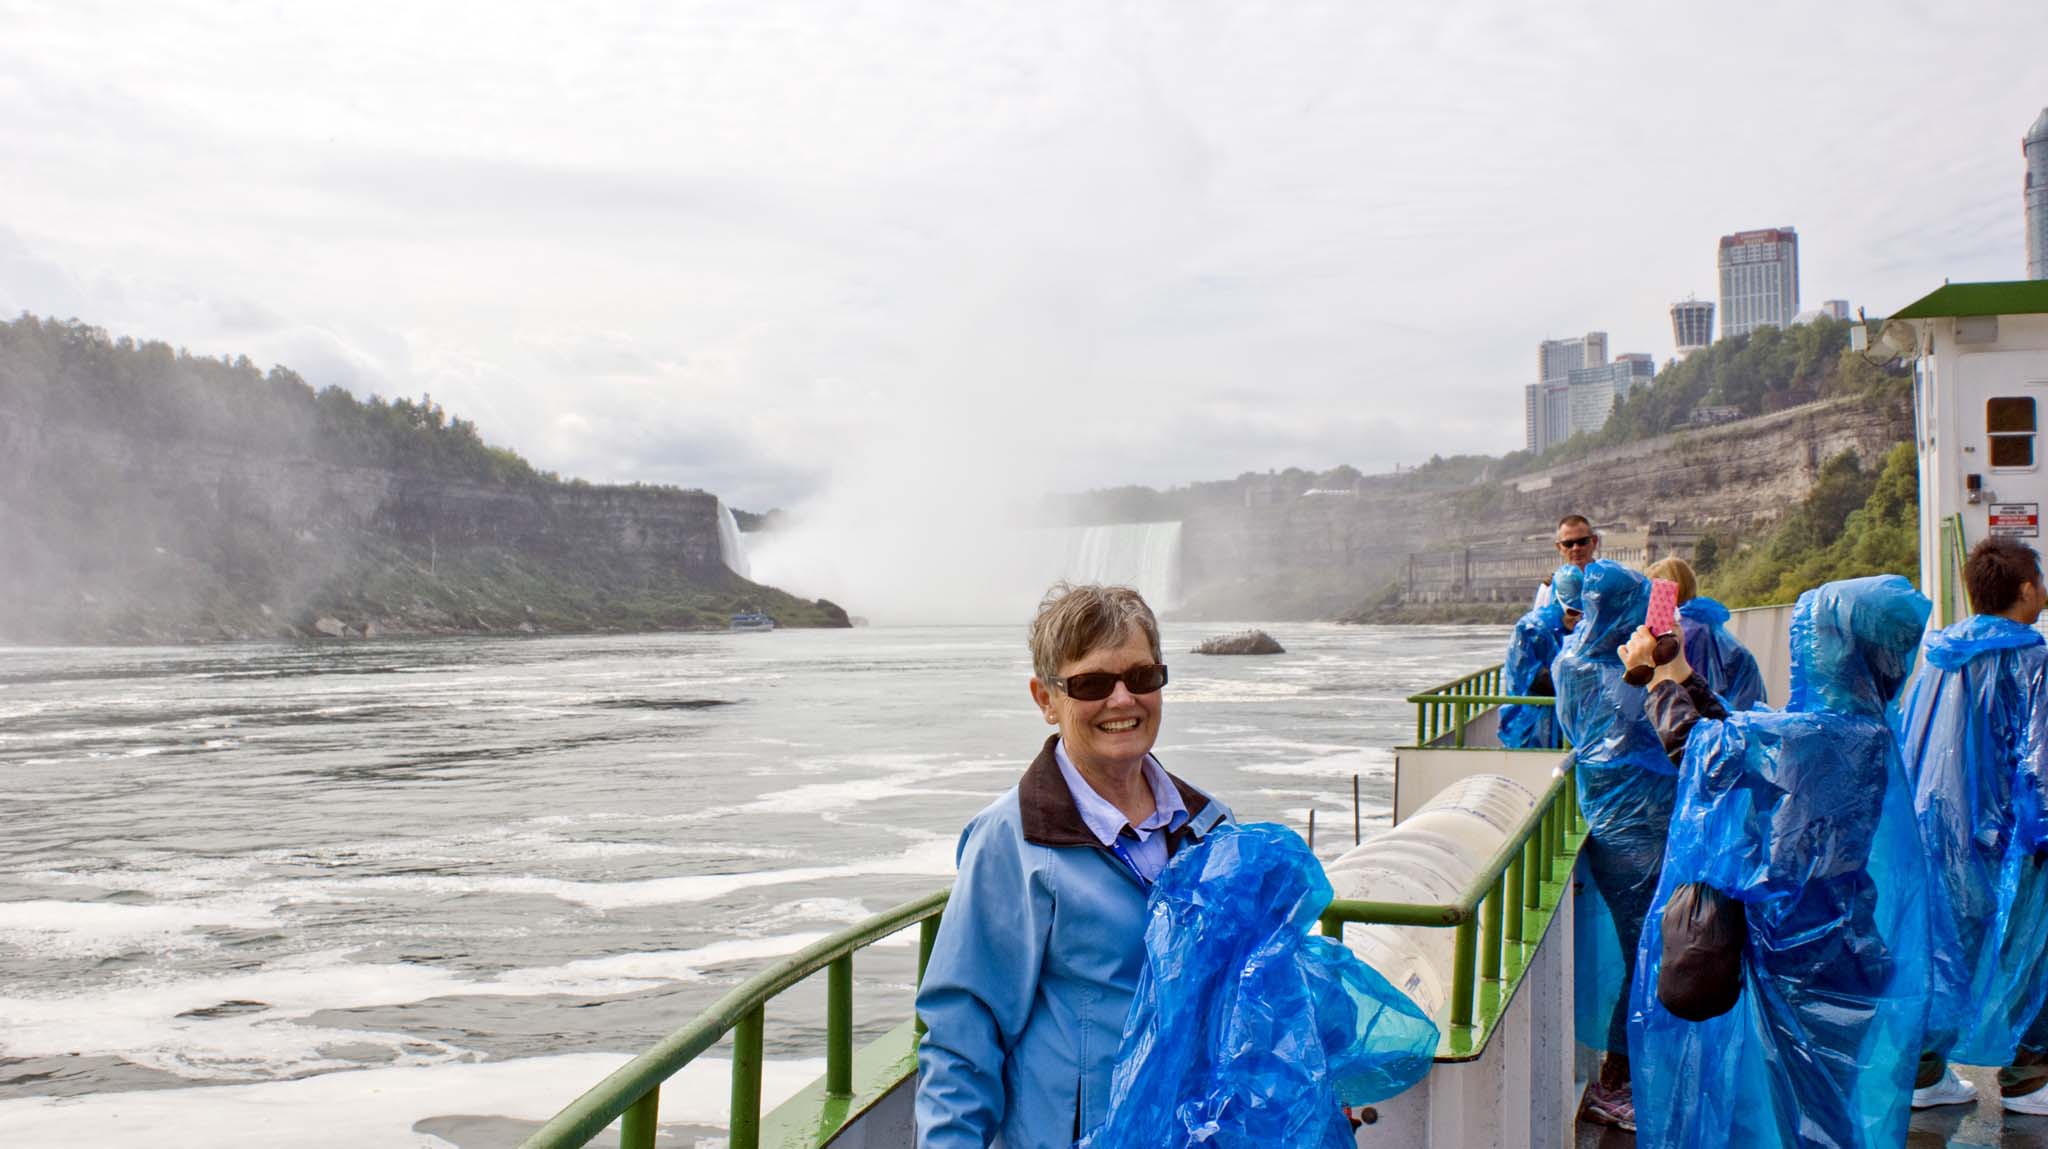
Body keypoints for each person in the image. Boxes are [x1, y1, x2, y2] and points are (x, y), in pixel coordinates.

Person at [915, 582, 1233, 1148]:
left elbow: (1252, 993)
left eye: (1141, 677)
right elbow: (964, 1035)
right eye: (1091, 683)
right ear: (1046, 699)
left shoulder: (1212, 828)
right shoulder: (1011, 842)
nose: (1121, 701)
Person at [1627, 576, 1932, 1149]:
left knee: (1811, 1113)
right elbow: (1744, 742)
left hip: (1804, 956)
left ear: (1830, 649)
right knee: (1815, 1102)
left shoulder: (1819, 735)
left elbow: (1703, 754)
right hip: (1843, 949)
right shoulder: (1855, 729)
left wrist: (1656, 677)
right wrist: (1685, 676)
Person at [1894, 537, 2048, 1114]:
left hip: (1936, 828)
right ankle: (2026, 1077)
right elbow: (2040, 761)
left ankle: (1925, 1073)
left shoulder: (1938, 657)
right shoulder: (2032, 662)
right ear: (2026, 588)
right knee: (2028, 954)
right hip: (2007, 838)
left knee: (1942, 950)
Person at [1550, 559, 1675, 1132]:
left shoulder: (1576, 658)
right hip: (1629, 832)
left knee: (1645, 950)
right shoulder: (1595, 670)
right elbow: (1628, 733)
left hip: (1627, 824)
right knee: (1643, 952)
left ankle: (1625, 1071)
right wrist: (1646, 670)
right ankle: (1617, 1081)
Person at [1646, 556, 1767, 711]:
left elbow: (1679, 702)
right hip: (1740, 721)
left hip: (1708, 725)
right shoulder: (1708, 627)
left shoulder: (1682, 633)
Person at [1500, 568, 1573, 749]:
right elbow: (1533, 679)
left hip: (1566, 722)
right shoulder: (1532, 628)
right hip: (1531, 722)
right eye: (1573, 611)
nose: (1578, 618)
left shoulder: (1579, 628)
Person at [1533, 514, 1600, 609]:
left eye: (1582, 542)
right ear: (1559, 547)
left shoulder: (1609, 579)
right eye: (1568, 544)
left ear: (1594, 541)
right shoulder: (1549, 588)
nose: (1576, 548)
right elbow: (1538, 621)